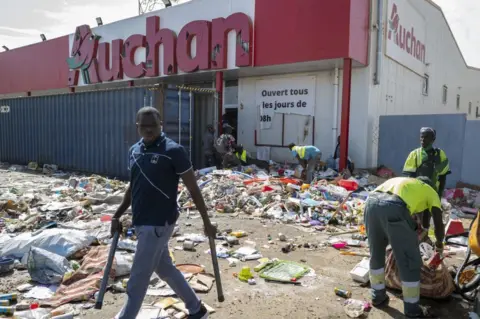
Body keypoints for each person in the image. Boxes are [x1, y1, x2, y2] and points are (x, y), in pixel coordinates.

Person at [111, 106, 216, 319]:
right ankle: (197, 309)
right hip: (141, 220)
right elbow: (133, 186)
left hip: (159, 222)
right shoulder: (134, 151)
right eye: (144, 126)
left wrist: (206, 221)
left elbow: (193, 189)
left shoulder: (173, 151)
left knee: (138, 279)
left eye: (153, 125)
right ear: (137, 126)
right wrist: (117, 214)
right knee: (165, 269)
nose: (148, 130)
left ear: (161, 125)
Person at [364, 176, 445, 318]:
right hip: (394, 207)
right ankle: (412, 310)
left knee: (376, 254)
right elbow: (438, 223)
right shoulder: (431, 192)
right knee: (409, 260)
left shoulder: (406, 183)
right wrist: (439, 245)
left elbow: (421, 218)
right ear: (430, 186)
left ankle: (378, 297)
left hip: (370, 203)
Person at [403, 127, 450, 229]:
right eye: (421, 137)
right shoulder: (414, 154)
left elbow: (443, 176)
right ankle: (417, 236)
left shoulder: (440, 155)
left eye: (426, 138)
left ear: (433, 140)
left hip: (433, 192)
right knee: (417, 217)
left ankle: (426, 235)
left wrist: (439, 194)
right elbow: (409, 177)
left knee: (428, 217)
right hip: (418, 192)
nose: (423, 140)